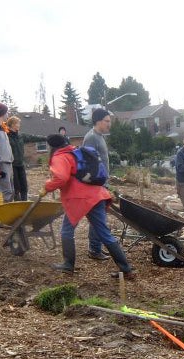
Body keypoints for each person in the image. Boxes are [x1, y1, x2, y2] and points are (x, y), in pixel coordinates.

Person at [40, 134, 135, 280]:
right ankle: (126, 269)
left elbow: (61, 178)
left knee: (66, 230)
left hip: (79, 198)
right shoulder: (75, 152)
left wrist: (47, 186)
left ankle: (68, 264)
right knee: (104, 232)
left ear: (52, 146)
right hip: (97, 195)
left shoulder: (60, 156)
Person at [83, 107, 114, 260]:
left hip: (102, 183)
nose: (109, 124)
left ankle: (96, 248)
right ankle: (94, 250)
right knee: (98, 218)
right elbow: (88, 162)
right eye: (107, 121)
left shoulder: (100, 136)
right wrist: (97, 182)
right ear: (98, 121)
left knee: (100, 218)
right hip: (95, 185)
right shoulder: (91, 137)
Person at [7, 116, 28, 202]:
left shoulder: (21, 135)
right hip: (12, 165)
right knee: (16, 186)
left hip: (21, 164)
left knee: (24, 185)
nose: (19, 125)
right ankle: (17, 202)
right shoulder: (6, 136)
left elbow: (33, 137)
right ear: (12, 125)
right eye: (17, 123)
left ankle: (24, 201)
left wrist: (48, 138)